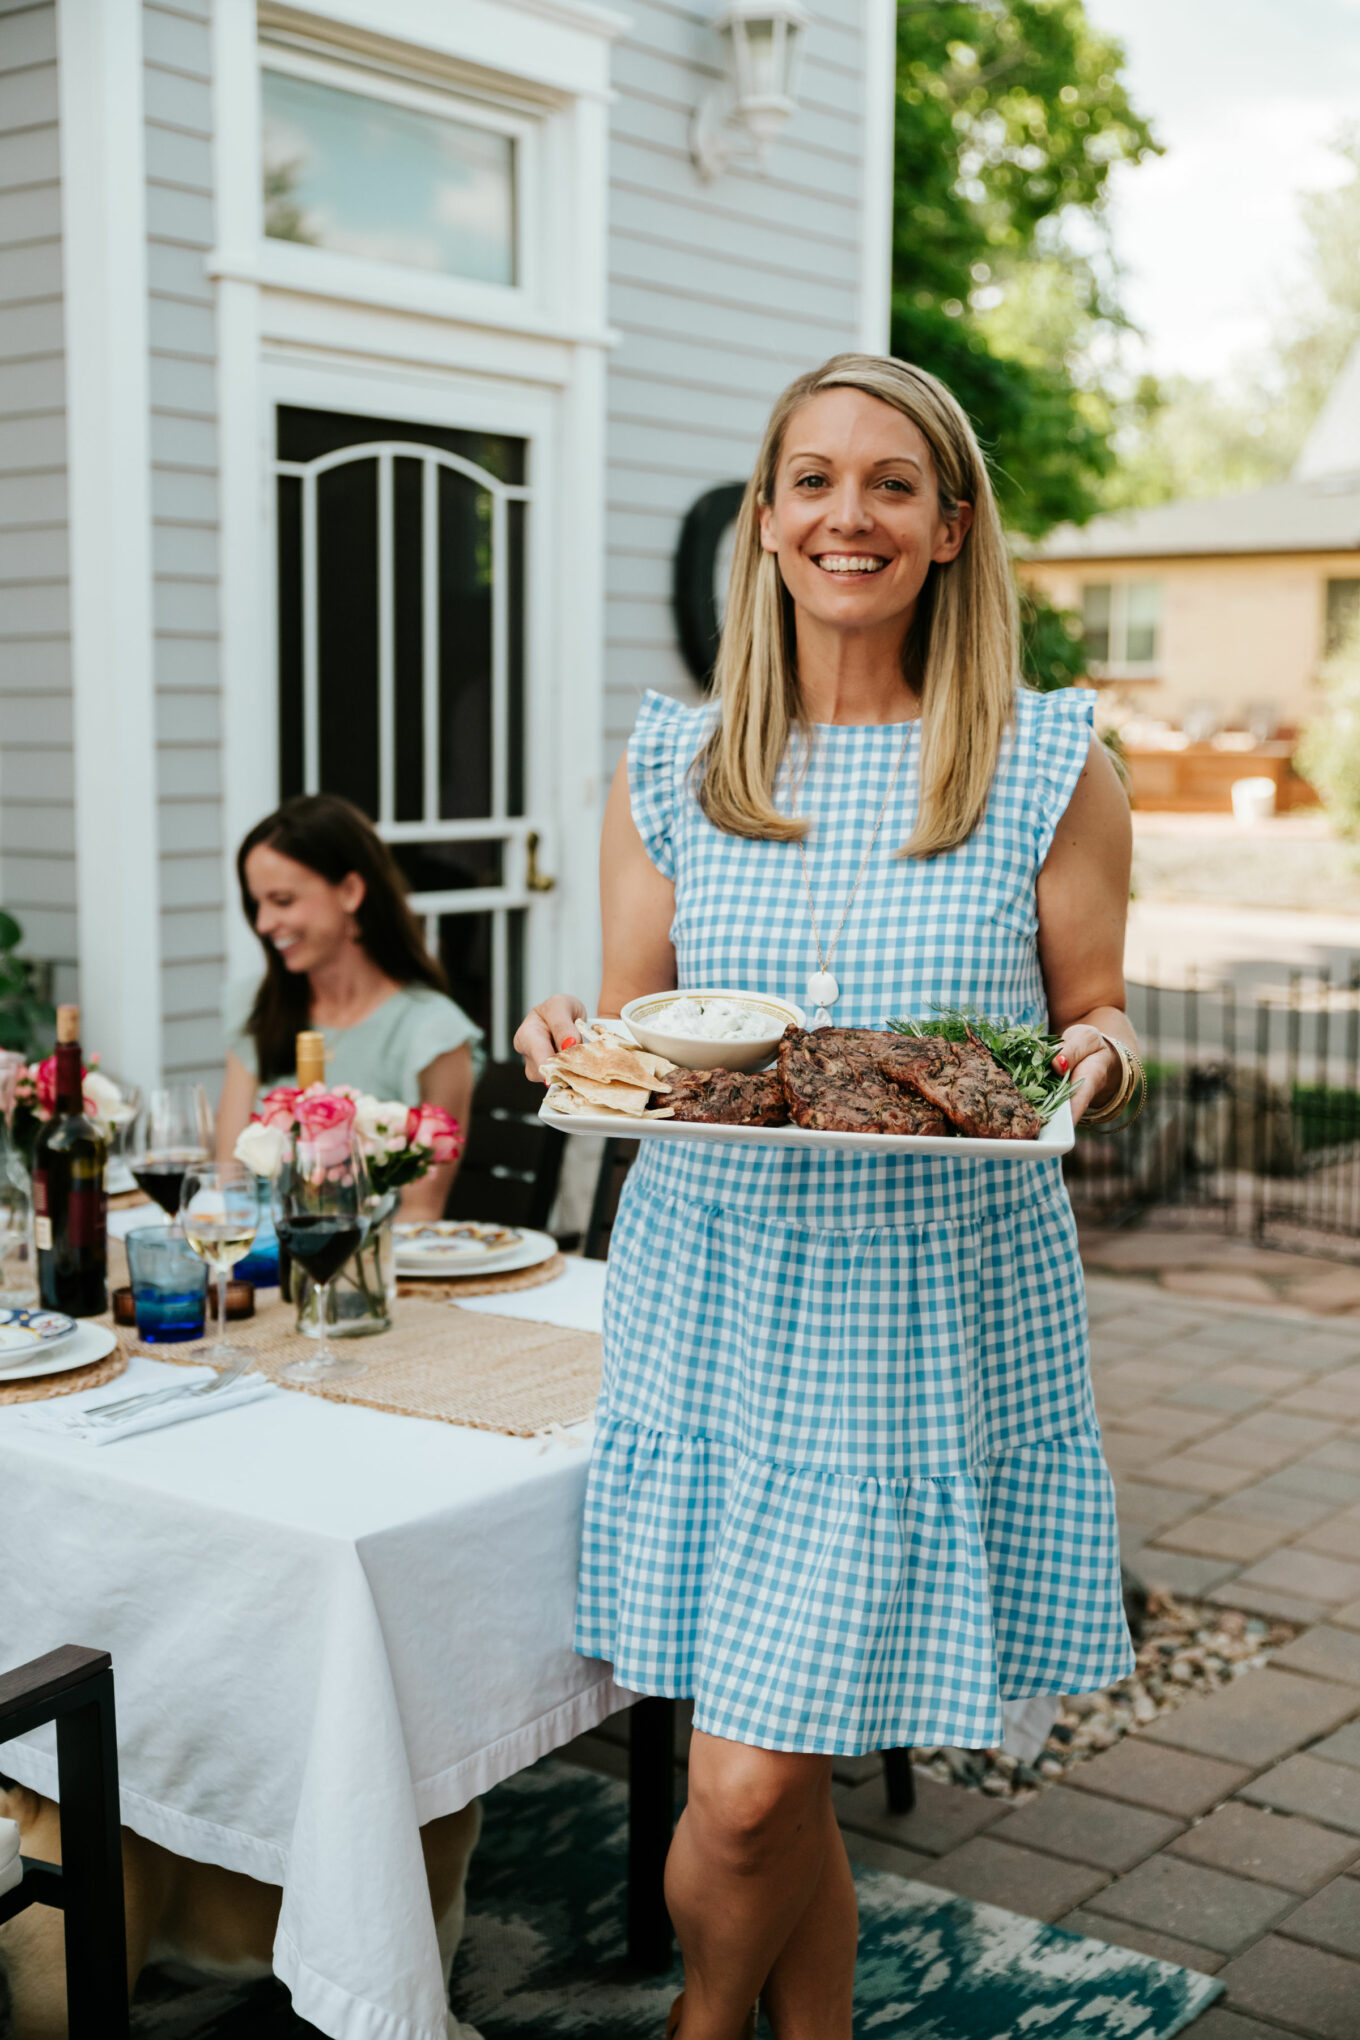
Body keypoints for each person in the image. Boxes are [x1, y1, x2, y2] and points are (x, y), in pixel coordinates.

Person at [515, 353, 1142, 2040]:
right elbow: (643, 1035)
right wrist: (567, 1033)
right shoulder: (678, 765)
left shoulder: (1044, 758)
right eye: (811, 480)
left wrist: (1088, 1071)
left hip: (919, 1320)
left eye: (887, 484)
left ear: (950, 527)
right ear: (768, 518)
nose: (843, 515)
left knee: (736, 1790)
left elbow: (1094, 1012)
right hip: (716, 1298)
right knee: (775, 1780)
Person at [218, 793, 480, 1220]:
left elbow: (419, 1214)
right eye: (257, 903)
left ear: (351, 891)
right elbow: (229, 1181)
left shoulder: (431, 1033)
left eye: (282, 901)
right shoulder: (259, 1006)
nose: (263, 924)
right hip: (265, 1264)